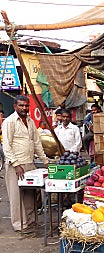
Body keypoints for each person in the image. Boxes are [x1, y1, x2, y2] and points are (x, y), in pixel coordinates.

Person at [2, 95, 49, 234]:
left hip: (29, 163)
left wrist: (45, 160)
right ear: (15, 106)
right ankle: (20, 225)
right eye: (21, 105)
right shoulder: (10, 122)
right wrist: (16, 164)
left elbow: (36, 143)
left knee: (30, 195)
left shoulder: (30, 121)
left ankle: (31, 221)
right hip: (15, 165)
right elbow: (6, 146)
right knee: (16, 196)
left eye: (26, 105)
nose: (24, 108)